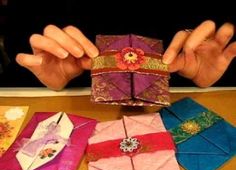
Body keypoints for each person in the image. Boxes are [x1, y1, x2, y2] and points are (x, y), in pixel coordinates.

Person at [2, 0, 236, 89]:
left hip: (187, 103)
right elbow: (19, 42)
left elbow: (225, 36)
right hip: (64, 104)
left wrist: (218, 70)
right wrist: (42, 70)